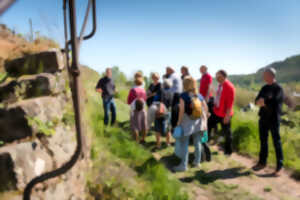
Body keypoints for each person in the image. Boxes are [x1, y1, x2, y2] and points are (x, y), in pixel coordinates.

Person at [252, 68, 284, 177]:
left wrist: (264, 102)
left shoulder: (278, 88)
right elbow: (256, 100)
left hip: (274, 119)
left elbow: (275, 102)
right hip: (263, 118)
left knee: (276, 143)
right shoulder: (264, 88)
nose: (263, 77)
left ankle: (280, 167)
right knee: (263, 141)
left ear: (271, 75)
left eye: (264, 75)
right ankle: (262, 163)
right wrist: (260, 102)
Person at [173, 76, 209, 172]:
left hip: (187, 122)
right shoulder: (199, 95)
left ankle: (183, 165)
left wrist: (178, 122)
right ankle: (197, 162)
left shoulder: (183, 96)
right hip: (198, 122)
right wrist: (205, 120)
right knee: (197, 143)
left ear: (185, 84)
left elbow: (181, 110)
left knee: (185, 143)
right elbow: (205, 108)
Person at [208, 70, 235, 155]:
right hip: (217, 112)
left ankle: (228, 151)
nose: (217, 78)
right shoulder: (220, 85)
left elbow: (230, 103)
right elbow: (219, 97)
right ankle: (205, 143)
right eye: (216, 76)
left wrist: (227, 116)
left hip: (225, 114)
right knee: (208, 124)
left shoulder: (229, 86)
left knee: (227, 133)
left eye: (218, 77)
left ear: (224, 76)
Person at [152, 78, 173, 150]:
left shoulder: (160, 91)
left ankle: (158, 145)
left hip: (159, 112)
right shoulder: (171, 92)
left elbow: (155, 101)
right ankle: (168, 143)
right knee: (168, 129)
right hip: (168, 112)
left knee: (157, 129)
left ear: (163, 85)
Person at [127, 73, 148, 143]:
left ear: (135, 82)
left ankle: (136, 140)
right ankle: (143, 139)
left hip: (134, 110)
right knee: (144, 125)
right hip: (143, 109)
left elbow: (129, 101)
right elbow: (145, 99)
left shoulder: (133, 90)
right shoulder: (143, 90)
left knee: (135, 126)